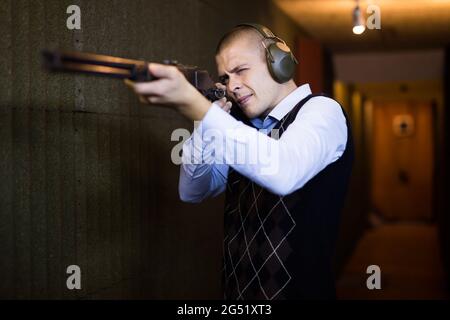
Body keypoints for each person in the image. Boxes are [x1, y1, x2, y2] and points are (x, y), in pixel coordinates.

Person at [126, 23, 354, 300]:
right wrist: (205, 121)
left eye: (241, 70)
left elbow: (283, 172)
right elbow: (192, 191)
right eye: (225, 77)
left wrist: (196, 107)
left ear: (278, 61)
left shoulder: (322, 111)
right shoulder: (241, 129)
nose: (232, 85)